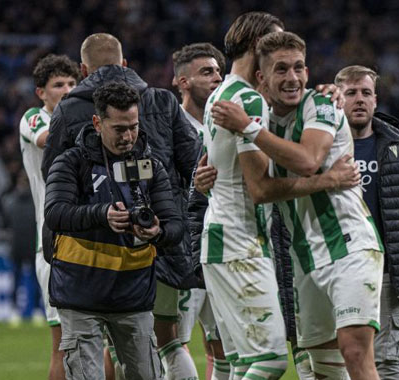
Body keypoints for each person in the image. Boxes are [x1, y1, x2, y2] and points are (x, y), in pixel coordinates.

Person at [214, 31, 384, 380]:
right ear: (261, 78)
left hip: (350, 246)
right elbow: (260, 189)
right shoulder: (261, 116)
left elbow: (308, 159)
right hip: (304, 257)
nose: (292, 78)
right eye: (281, 70)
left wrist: (247, 129)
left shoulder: (320, 105)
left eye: (299, 68)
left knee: (354, 352)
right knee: (322, 367)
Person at [41, 33, 200, 379]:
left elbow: (174, 218)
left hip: (133, 282)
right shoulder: (74, 162)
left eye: (134, 128)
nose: (128, 136)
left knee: (156, 361)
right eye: (119, 129)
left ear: (84, 70)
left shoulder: (149, 165)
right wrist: (101, 213)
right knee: (169, 344)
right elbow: (55, 208)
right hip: (84, 279)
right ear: (97, 124)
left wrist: (159, 229)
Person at [334, 65, 399, 379]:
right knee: (332, 361)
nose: (359, 99)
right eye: (351, 93)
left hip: (385, 271)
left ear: (376, 100)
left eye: (365, 92)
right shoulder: (318, 146)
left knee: (389, 362)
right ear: (337, 99)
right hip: (333, 269)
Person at [18, 53, 80, 380]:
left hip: (89, 235)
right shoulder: (34, 118)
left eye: (72, 83)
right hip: (54, 244)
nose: (67, 90)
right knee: (63, 345)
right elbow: (47, 140)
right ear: (41, 92)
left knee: (106, 341)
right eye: (58, 85)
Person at [172, 42, 228, 380]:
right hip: (183, 250)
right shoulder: (166, 127)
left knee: (223, 345)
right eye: (207, 72)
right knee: (171, 343)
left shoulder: (223, 126)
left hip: (222, 245)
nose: (217, 78)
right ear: (183, 81)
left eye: (219, 71)